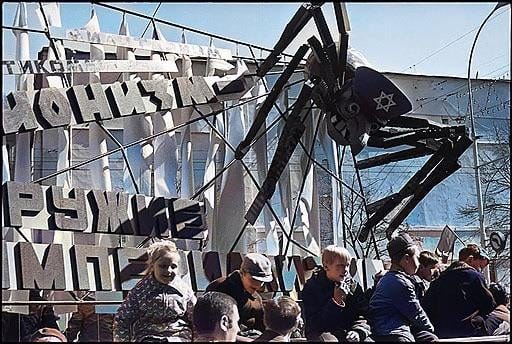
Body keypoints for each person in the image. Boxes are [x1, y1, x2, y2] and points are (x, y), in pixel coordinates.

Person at [113, 240, 196, 342]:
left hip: (178, 336)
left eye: (173, 266)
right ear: (152, 266)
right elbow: (123, 319)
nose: (168, 270)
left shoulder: (184, 291)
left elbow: (196, 318)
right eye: (163, 266)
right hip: (148, 336)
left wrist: (199, 338)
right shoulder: (140, 291)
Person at [369, 233, 437, 342]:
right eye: (417, 258)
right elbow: (416, 313)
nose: (419, 263)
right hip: (391, 331)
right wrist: (432, 329)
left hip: (387, 328)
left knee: (428, 338)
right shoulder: (401, 283)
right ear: (406, 259)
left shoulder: (390, 278)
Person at [421, 243, 496, 339]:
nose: (480, 271)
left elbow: (427, 308)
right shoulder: (474, 277)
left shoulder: (439, 280)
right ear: (470, 259)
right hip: (468, 331)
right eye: (480, 267)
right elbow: (489, 305)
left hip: (441, 333)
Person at [301, 245, 371, 342]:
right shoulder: (313, 287)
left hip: (348, 331)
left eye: (347, 265)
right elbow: (314, 323)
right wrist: (336, 302)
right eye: (340, 266)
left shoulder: (353, 287)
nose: (345, 270)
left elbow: (362, 315)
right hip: (323, 331)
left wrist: (358, 331)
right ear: (326, 266)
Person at [206, 253, 273, 334]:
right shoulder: (220, 288)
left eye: (262, 281)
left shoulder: (257, 299)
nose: (258, 284)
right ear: (243, 273)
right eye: (254, 279)